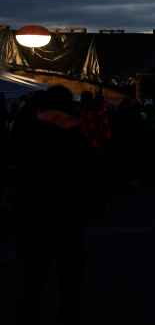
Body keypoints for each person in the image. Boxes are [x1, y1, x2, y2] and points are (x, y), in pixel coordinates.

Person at [14, 86, 90, 325]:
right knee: (68, 274)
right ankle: (68, 313)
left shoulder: (27, 129)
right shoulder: (76, 132)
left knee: (34, 274)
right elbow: (87, 172)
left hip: (34, 211)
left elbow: (17, 166)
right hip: (67, 212)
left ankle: (29, 313)